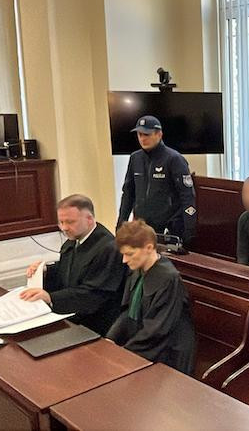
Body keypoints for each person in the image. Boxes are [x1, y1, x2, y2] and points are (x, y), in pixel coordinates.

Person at [21, 194, 126, 335]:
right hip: (72, 315)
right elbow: (67, 271)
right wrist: (45, 271)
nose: (64, 228)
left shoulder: (109, 248)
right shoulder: (73, 241)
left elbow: (95, 293)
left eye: (70, 222)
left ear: (89, 219)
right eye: (61, 222)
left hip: (95, 324)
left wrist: (51, 298)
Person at [107, 219, 196, 375]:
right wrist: (110, 339)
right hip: (145, 343)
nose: (124, 260)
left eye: (129, 254)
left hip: (168, 352)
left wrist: (126, 352)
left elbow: (158, 328)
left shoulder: (168, 278)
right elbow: (128, 312)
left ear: (148, 248)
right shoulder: (137, 270)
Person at [117, 115, 197, 245]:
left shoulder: (174, 159)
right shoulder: (135, 158)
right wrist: (121, 225)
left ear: (159, 134)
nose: (143, 138)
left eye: (147, 134)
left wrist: (189, 230)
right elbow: (128, 194)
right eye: (140, 134)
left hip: (168, 229)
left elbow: (187, 196)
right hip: (142, 228)